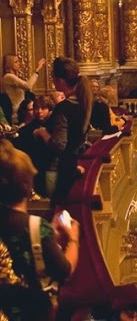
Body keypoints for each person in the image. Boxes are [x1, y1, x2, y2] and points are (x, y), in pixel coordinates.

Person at [0, 140, 77, 321]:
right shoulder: (35, 226)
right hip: (32, 312)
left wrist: (47, 234)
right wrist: (74, 239)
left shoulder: (35, 228)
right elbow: (65, 270)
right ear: (27, 187)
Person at [45, 58, 89, 204]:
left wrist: (42, 133)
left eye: (53, 77)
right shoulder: (83, 101)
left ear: (61, 81)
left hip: (59, 169)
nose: (52, 81)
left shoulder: (64, 108)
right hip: (72, 164)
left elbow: (59, 144)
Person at [0, 56, 45, 126]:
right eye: (16, 62)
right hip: (17, 111)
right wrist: (37, 69)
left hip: (21, 109)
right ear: (9, 64)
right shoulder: (9, 76)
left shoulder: (11, 77)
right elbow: (28, 86)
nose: (19, 63)